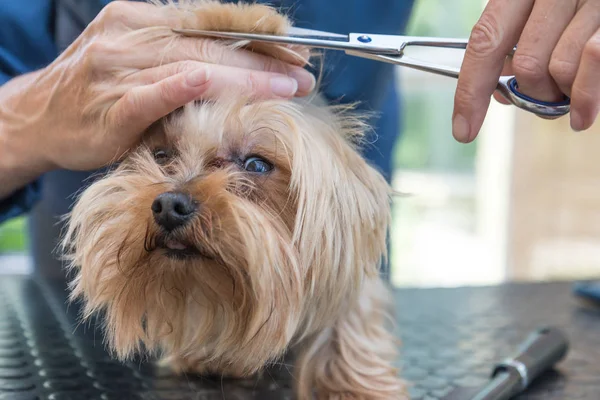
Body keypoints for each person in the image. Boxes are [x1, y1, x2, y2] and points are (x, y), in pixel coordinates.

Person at [0, 0, 598, 280]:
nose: (174, 195)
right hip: (76, 324)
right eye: (159, 155)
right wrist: (25, 117)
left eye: (254, 165)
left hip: (332, 284)